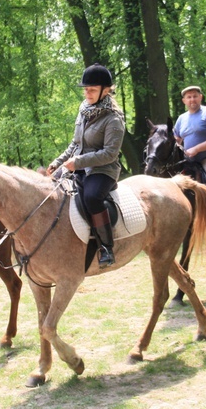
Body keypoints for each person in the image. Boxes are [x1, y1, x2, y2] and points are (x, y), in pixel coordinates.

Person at [47, 64, 125, 269]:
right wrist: (58, 161)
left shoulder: (114, 119)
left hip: (104, 170)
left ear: (105, 90)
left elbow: (110, 153)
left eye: (91, 89)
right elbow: (75, 144)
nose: (87, 93)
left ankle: (107, 247)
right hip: (79, 166)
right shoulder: (84, 111)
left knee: (91, 197)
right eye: (85, 89)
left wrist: (77, 162)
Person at [173, 85, 206, 186]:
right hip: (187, 161)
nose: (192, 99)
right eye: (189, 97)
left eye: (195, 96)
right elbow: (177, 140)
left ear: (200, 97)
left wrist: (196, 149)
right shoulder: (181, 119)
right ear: (184, 100)